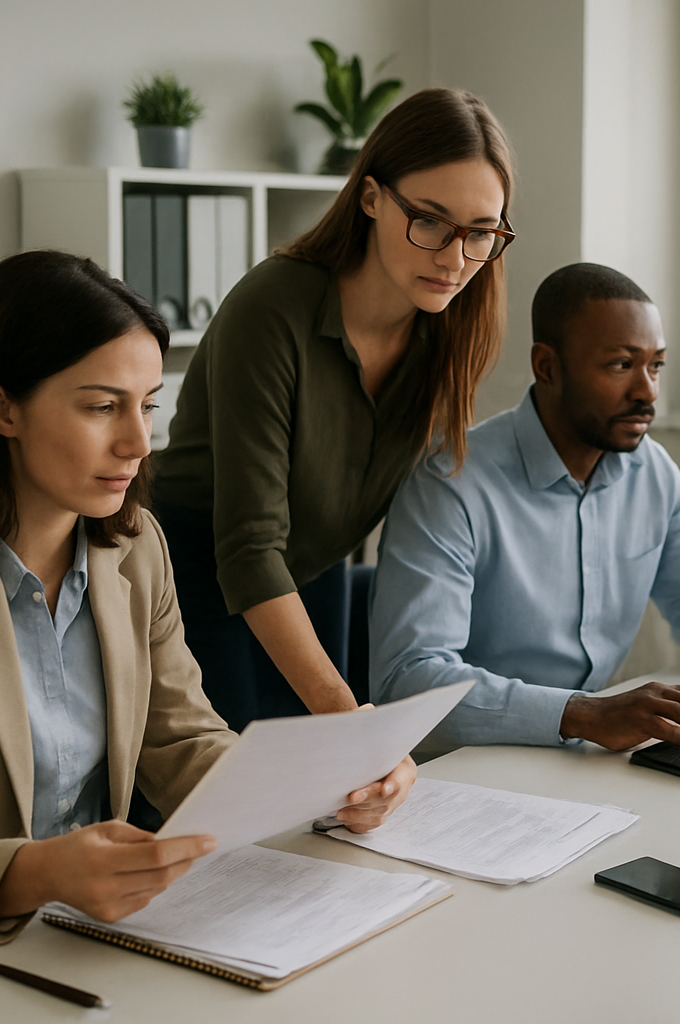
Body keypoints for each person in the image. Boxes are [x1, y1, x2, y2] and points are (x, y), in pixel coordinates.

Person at [0, 251, 414, 942]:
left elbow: (181, 741)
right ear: (0, 409)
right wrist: (36, 872)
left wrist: (330, 790)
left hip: (90, 942)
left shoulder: (134, 549)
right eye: (103, 407)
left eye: (147, 406)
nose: (139, 442)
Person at [151, 88, 516, 732]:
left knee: (321, 808)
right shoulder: (273, 307)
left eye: (481, 232)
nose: (456, 258)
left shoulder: (450, 324)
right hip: (196, 572)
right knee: (230, 802)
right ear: (371, 196)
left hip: (314, 569)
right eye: (429, 220)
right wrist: (352, 726)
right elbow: (248, 546)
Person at [370, 263, 680, 753]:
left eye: (655, 365)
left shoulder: (650, 471)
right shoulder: (450, 485)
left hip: (587, 758)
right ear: (547, 367)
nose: (647, 392)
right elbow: (409, 680)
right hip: (471, 768)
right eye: (620, 365)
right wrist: (582, 712)